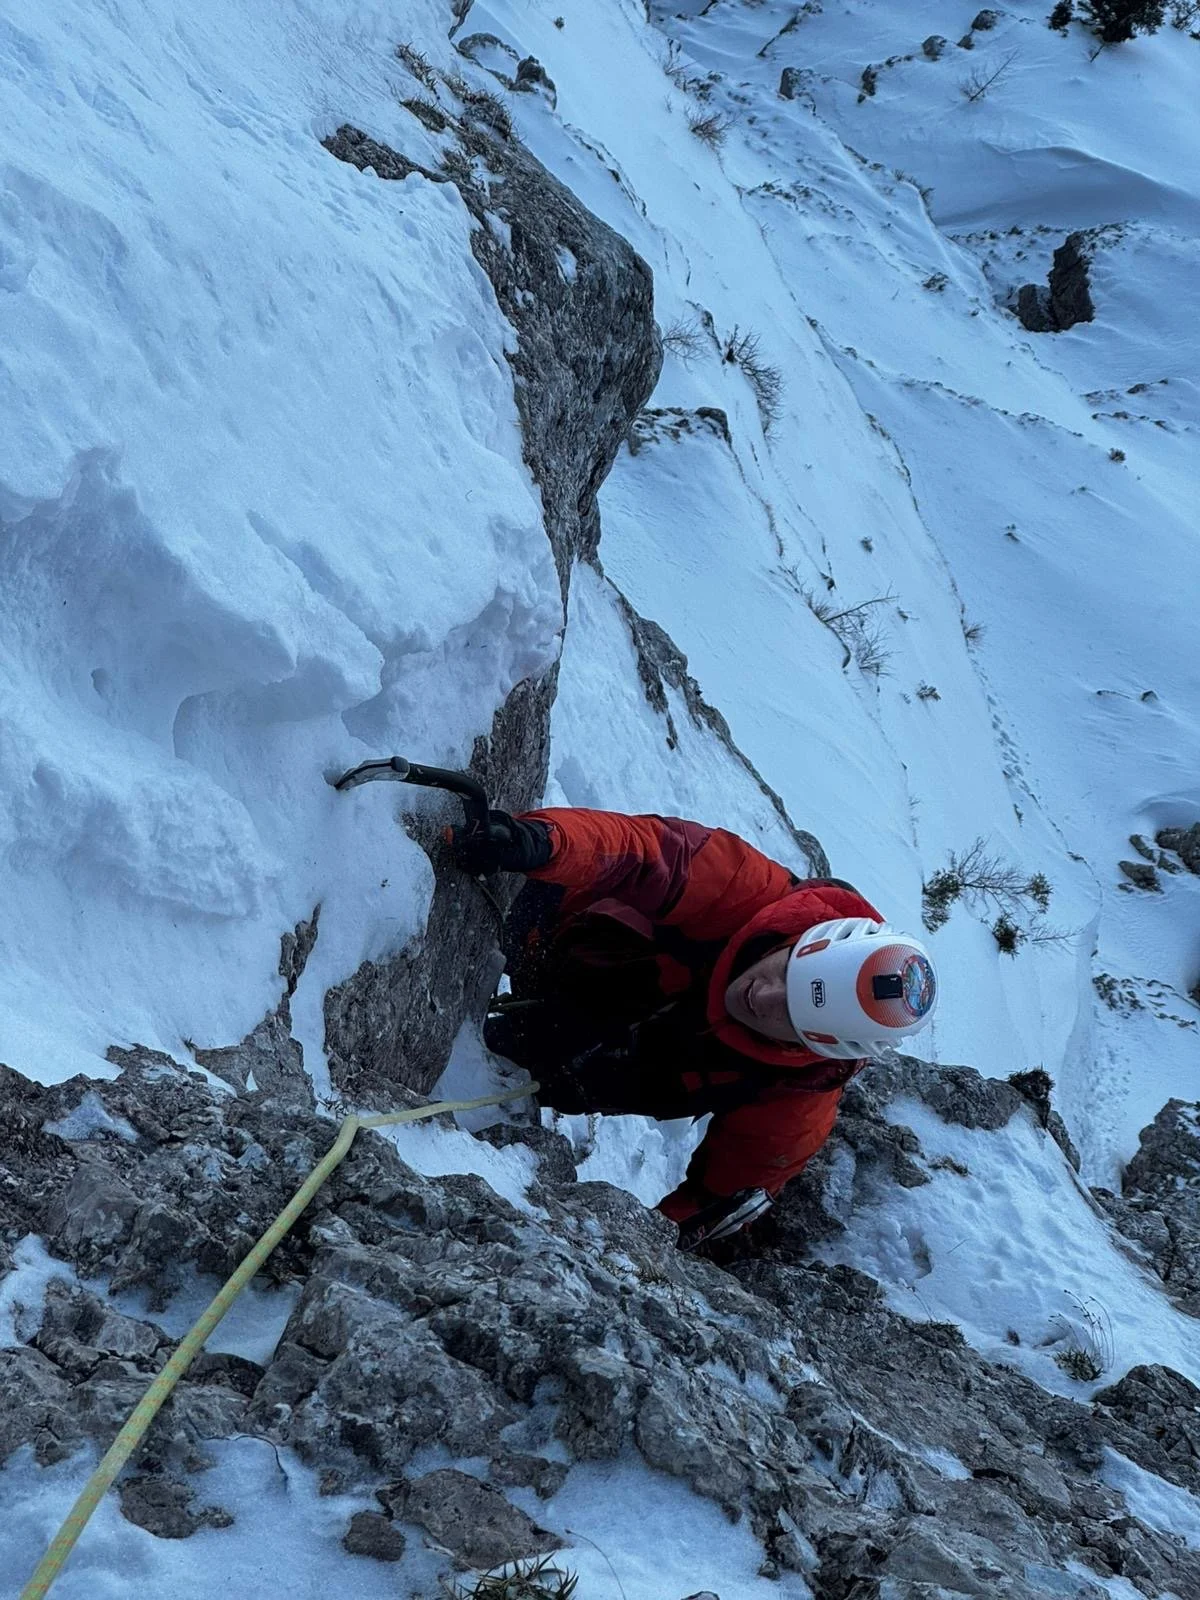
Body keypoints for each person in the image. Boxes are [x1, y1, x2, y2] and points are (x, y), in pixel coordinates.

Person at [453, 805, 937, 1243]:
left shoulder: (795, 1102)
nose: (763, 995)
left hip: (564, 1064)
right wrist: (545, 841)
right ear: (803, 940)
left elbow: (713, 1200)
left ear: (815, 1047)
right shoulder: (750, 892)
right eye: (788, 972)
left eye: (791, 1017)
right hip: (549, 928)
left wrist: (629, 1252)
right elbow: (644, 852)